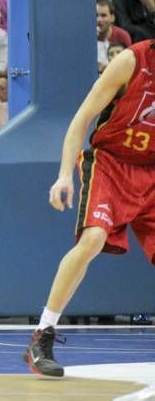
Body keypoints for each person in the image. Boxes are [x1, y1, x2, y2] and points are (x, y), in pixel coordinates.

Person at [24, 38, 155, 377]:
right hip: (111, 163)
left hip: (151, 169)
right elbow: (81, 119)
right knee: (93, 239)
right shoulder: (131, 61)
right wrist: (64, 174)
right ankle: (43, 335)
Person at [97, 0, 132, 72]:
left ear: (112, 18)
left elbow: (129, 63)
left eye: (103, 16)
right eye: (96, 15)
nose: (99, 20)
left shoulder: (123, 35)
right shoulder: (87, 38)